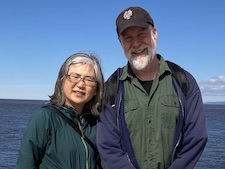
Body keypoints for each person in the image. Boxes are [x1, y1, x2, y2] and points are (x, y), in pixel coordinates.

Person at [96, 6, 208, 169]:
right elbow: (108, 146)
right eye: (128, 38)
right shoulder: (112, 87)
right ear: (121, 43)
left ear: (154, 34)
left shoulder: (183, 81)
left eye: (142, 35)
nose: (136, 44)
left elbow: (197, 138)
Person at [17, 52, 105, 169]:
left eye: (89, 79)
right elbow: (25, 165)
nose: (80, 84)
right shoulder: (45, 117)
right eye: (75, 76)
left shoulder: (97, 122)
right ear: (62, 81)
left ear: (96, 90)